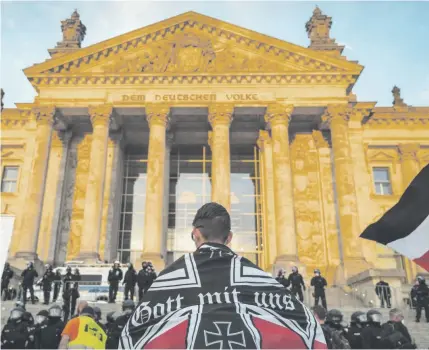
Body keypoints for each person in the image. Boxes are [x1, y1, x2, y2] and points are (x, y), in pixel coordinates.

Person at [119, 202, 327, 349]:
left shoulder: (167, 280)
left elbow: (132, 337)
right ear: (229, 238)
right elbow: (309, 332)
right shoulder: (261, 279)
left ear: (195, 234)